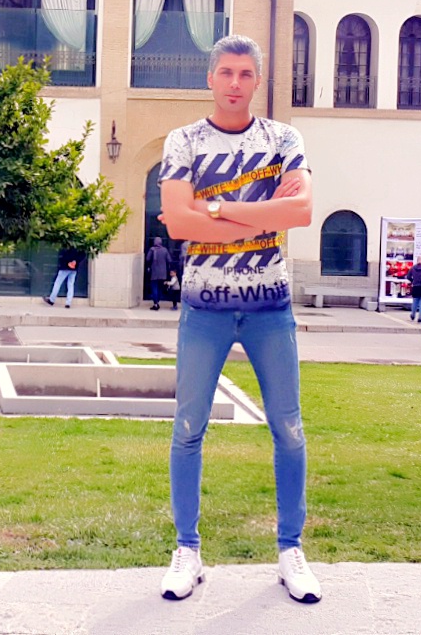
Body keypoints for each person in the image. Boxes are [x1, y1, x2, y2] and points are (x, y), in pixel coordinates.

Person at [156, 35, 320, 605]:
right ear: (211, 78)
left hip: (270, 307)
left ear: (257, 80)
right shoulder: (184, 141)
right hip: (204, 308)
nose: (234, 83)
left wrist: (217, 208)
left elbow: (301, 211)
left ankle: (290, 550)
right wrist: (263, 217)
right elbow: (177, 222)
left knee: (288, 429)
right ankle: (187, 550)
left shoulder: (283, 139)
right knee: (188, 428)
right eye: (225, 72)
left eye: (245, 74)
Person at [147, 237, 173, 311]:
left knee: (154, 287)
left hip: (154, 272)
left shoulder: (152, 249)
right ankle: (157, 301)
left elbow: (148, 259)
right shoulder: (165, 250)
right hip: (163, 273)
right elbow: (169, 260)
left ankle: (155, 304)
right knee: (160, 288)